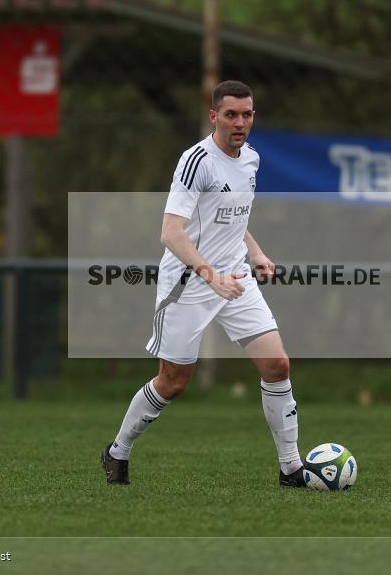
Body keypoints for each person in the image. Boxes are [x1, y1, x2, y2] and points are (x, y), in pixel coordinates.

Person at [100, 80, 305, 487]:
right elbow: (171, 233)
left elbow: (231, 220)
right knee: (173, 382)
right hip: (189, 283)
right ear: (214, 116)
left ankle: (291, 469)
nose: (240, 122)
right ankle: (117, 450)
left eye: (247, 114)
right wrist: (212, 278)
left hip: (235, 279)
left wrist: (256, 253)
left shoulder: (252, 160)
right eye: (231, 114)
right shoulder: (196, 161)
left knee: (277, 365)